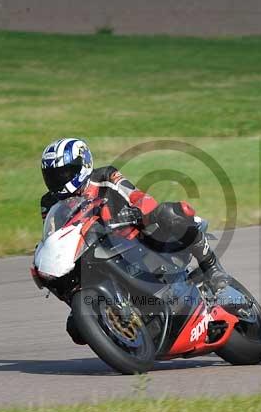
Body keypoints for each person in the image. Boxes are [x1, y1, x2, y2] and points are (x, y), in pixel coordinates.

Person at [39, 137, 229, 344]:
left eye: (65, 172)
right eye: (53, 176)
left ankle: (211, 266)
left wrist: (142, 213)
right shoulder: (49, 202)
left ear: (83, 164)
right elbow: (54, 233)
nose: (59, 179)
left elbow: (136, 196)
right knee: (76, 328)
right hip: (93, 253)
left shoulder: (104, 176)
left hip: (135, 239)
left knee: (169, 213)